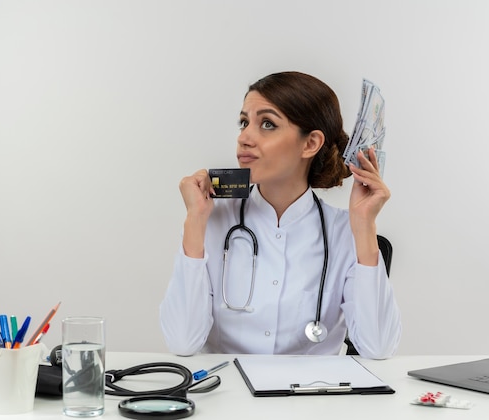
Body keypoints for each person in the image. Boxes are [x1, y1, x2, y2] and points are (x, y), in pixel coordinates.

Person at [160, 71, 401, 359]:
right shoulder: (211, 220)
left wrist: (364, 226)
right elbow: (182, 343)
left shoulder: (344, 231)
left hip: (312, 398)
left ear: (310, 143)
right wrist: (194, 223)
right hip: (227, 395)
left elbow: (378, 348)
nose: (244, 138)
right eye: (243, 122)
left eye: (267, 124)